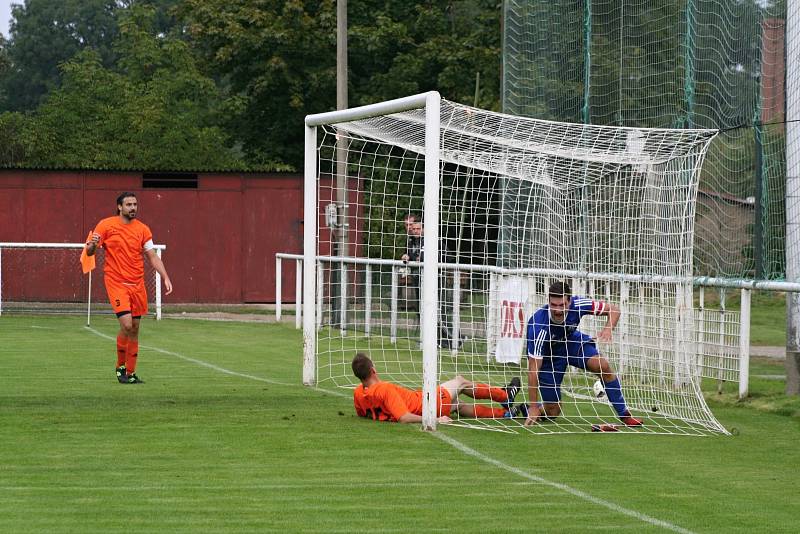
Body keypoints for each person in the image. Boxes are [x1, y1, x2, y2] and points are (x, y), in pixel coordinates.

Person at [524, 281, 642, 427]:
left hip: (571, 342)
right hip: (549, 357)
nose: (558, 310)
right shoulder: (538, 326)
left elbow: (614, 310)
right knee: (553, 411)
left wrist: (608, 328)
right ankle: (531, 409)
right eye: (553, 305)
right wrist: (534, 406)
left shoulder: (578, 304)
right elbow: (533, 370)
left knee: (602, 365)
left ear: (569, 301)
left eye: (562, 305)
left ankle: (625, 415)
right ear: (548, 301)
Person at [85, 192, 173, 384]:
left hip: (137, 284)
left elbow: (152, 256)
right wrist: (91, 246)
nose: (133, 208)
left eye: (135, 204)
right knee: (126, 324)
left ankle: (131, 373)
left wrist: (165, 276)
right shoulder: (106, 225)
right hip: (116, 282)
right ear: (119, 207)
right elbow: (90, 251)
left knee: (134, 329)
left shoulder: (143, 229)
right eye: (129, 204)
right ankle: (120, 368)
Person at [351, 352, 527, 423]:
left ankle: (505, 414)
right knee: (460, 382)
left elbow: (363, 413)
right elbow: (403, 417)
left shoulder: (359, 393)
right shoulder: (385, 389)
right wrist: (433, 419)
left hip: (428, 403)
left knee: (458, 405)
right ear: (373, 370)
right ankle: (505, 396)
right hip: (428, 404)